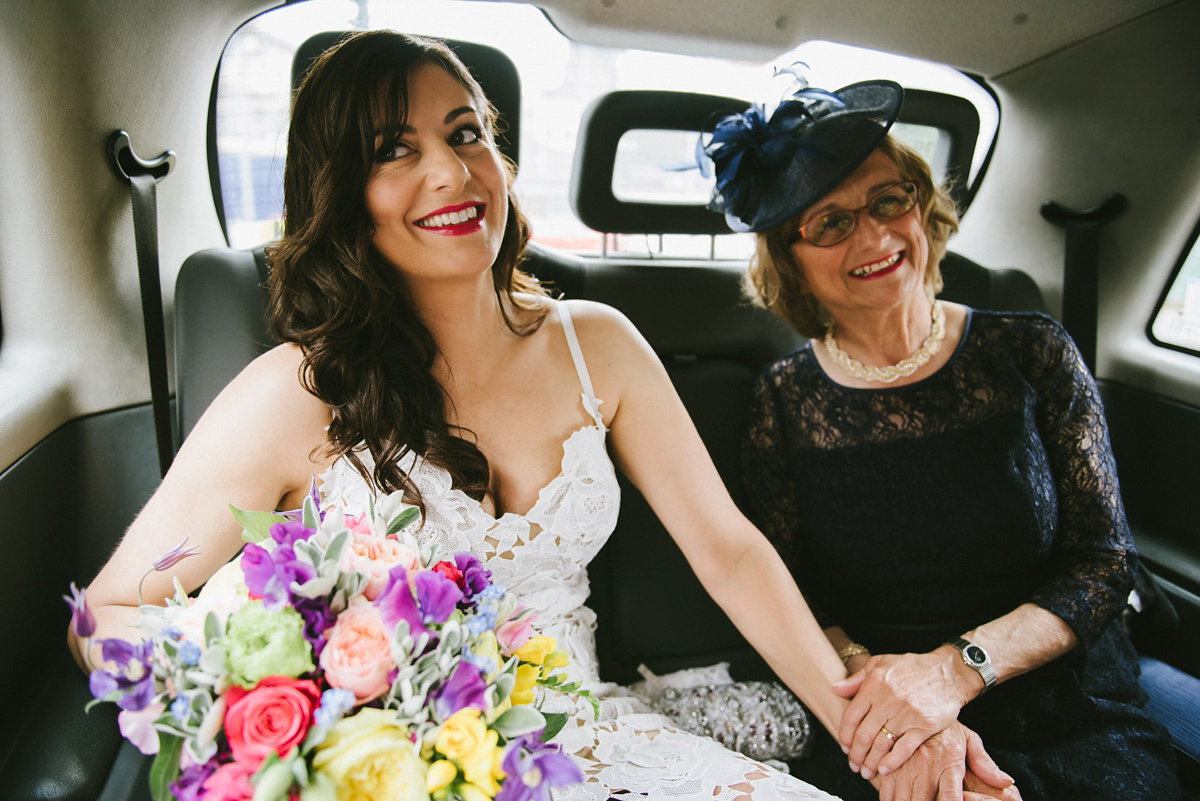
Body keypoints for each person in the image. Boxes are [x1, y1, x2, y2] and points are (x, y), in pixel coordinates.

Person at [69, 32, 1015, 801]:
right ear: (343, 194)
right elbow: (109, 612)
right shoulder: (296, 392)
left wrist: (881, 740)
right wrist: (294, 698)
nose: (450, 169)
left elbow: (729, 551)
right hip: (392, 776)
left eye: (466, 132)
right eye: (395, 150)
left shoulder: (594, 343)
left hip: (584, 741)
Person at [708, 75, 1183, 800]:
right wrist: (901, 709)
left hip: (1070, 702)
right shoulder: (781, 401)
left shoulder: (1034, 352)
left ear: (920, 203)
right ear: (790, 257)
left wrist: (954, 670)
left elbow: (1104, 564)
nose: (872, 236)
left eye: (887, 199)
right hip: (888, 720)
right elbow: (798, 600)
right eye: (829, 222)